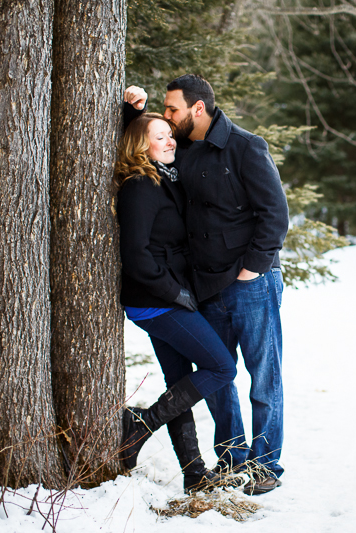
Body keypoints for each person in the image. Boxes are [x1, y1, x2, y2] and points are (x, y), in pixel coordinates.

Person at [125, 75, 289, 495]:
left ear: (198, 109)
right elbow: (139, 143)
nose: (169, 118)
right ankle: (232, 459)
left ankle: (265, 464)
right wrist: (131, 110)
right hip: (205, 288)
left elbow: (275, 214)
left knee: (263, 375)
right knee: (218, 375)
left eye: (174, 109)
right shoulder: (182, 151)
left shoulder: (246, 147)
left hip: (252, 283)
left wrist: (254, 267)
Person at [115, 112, 238, 494]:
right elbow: (136, 255)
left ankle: (194, 472)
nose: (171, 142)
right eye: (161, 137)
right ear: (140, 145)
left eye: (171, 135)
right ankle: (140, 427)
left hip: (168, 295)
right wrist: (174, 293)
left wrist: (135, 113)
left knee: (178, 382)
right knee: (222, 367)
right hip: (155, 300)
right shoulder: (140, 185)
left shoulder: (165, 177)